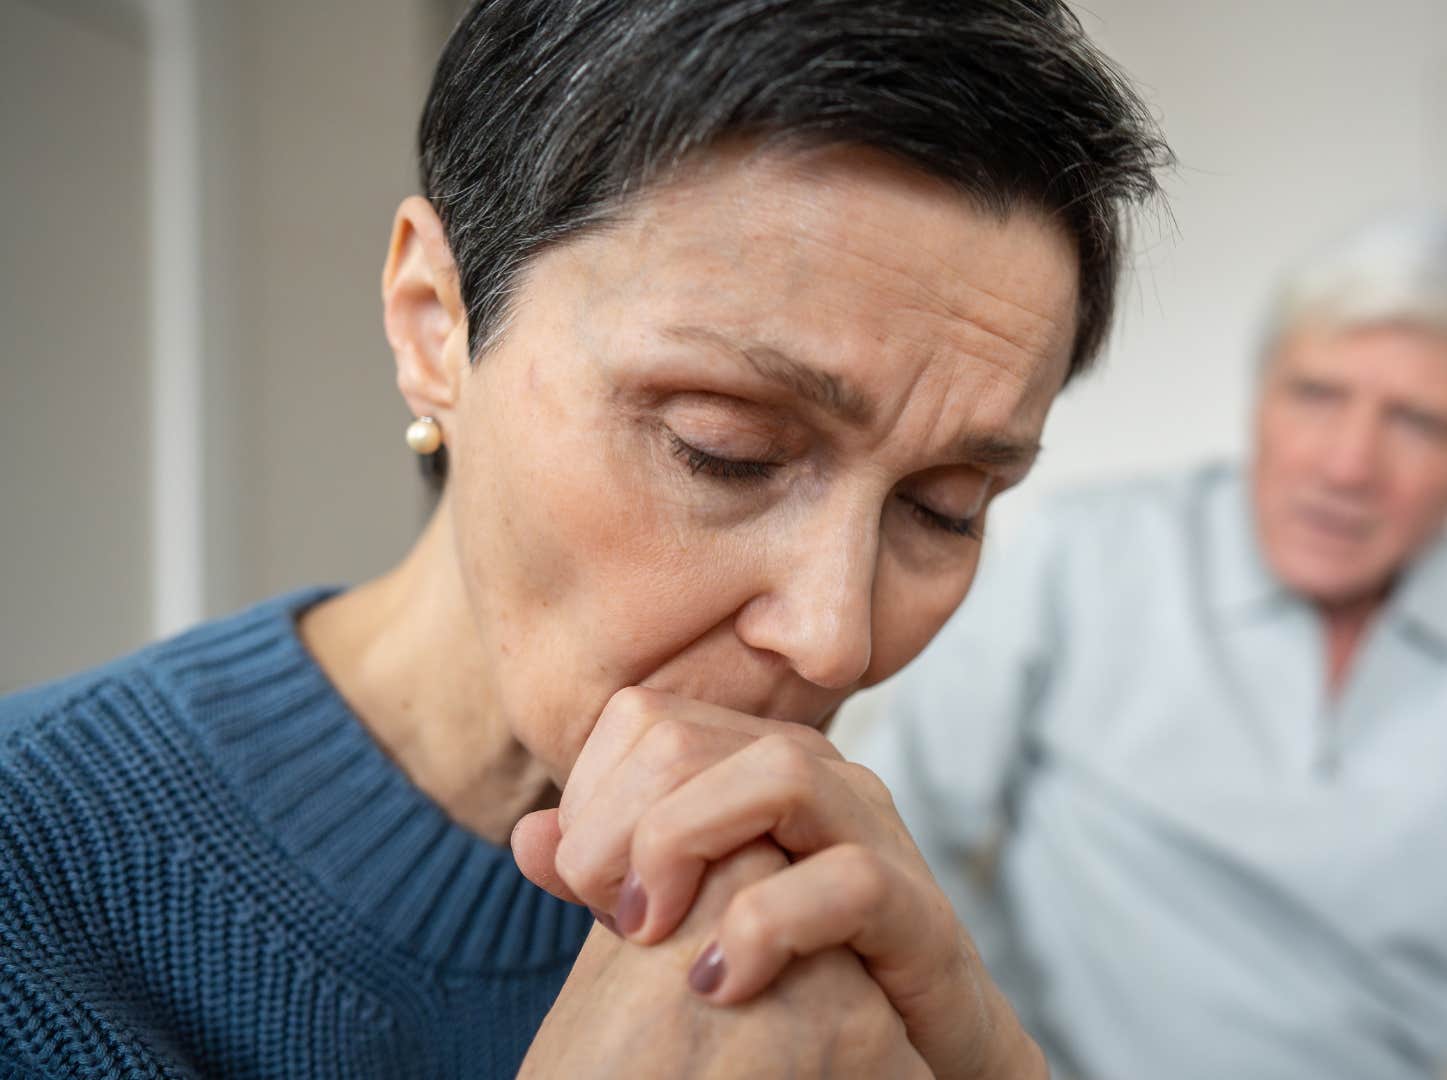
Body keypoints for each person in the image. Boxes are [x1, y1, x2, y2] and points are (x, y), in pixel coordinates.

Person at [0, 1, 1167, 1076]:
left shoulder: (837, 910)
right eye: (727, 448)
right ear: (434, 325)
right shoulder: (32, 876)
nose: (835, 639)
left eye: (945, 508)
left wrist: (983, 1050)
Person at [854, 213, 1447, 1079]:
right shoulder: (1087, 552)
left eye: (1419, 424)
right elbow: (905, 826)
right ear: (1260, 400)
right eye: (1318, 395)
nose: (1347, 465)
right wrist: (985, 1051)